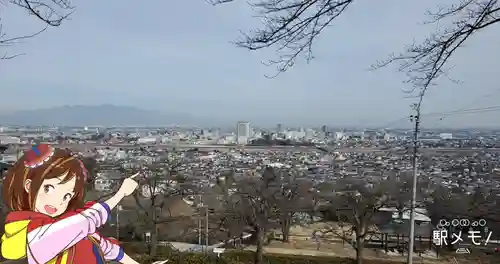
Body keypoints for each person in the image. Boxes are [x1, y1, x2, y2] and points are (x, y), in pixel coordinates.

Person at [0, 144, 146, 264]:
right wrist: (120, 195)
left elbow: (102, 245)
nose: (58, 201)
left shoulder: (63, 224)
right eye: (49, 188)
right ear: (28, 186)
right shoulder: (32, 233)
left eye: (67, 195)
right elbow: (82, 223)